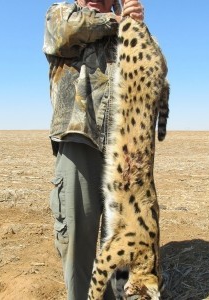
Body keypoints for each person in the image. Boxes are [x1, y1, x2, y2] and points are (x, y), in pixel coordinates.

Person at [43, 0, 144, 299]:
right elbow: (67, 30)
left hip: (125, 147)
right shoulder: (62, 11)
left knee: (123, 238)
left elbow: (147, 69)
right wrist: (118, 20)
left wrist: (137, 26)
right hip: (79, 137)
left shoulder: (127, 24)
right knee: (76, 236)